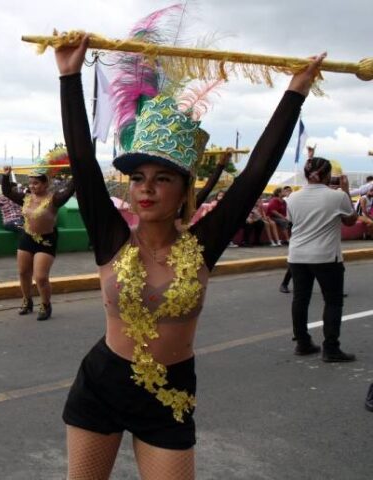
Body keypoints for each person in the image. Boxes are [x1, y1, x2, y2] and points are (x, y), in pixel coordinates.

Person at [55, 34, 322, 479]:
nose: (146, 188)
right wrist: (69, 76)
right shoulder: (111, 237)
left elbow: (255, 173)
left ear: (183, 190)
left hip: (171, 395)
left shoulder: (202, 243)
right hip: (100, 385)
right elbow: (82, 161)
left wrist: (295, 91)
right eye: (138, 177)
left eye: (162, 178)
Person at [286, 157, 357, 362]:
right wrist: (345, 191)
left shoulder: (292, 198)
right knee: (333, 302)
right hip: (326, 256)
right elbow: (351, 221)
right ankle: (331, 348)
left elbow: (292, 223)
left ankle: (303, 343)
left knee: (300, 299)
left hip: (297, 256)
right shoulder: (337, 196)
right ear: (327, 175)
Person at [1, 165, 74, 321]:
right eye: (30, 183)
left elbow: (69, 191)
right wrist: (6, 175)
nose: (32, 186)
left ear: (45, 183)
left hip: (46, 240)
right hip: (27, 237)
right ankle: (27, 301)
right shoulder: (26, 198)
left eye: (36, 183)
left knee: (40, 277)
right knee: (23, 272)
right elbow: (7, 192)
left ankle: (46, 304)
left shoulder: (54, 199)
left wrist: (76, 172)